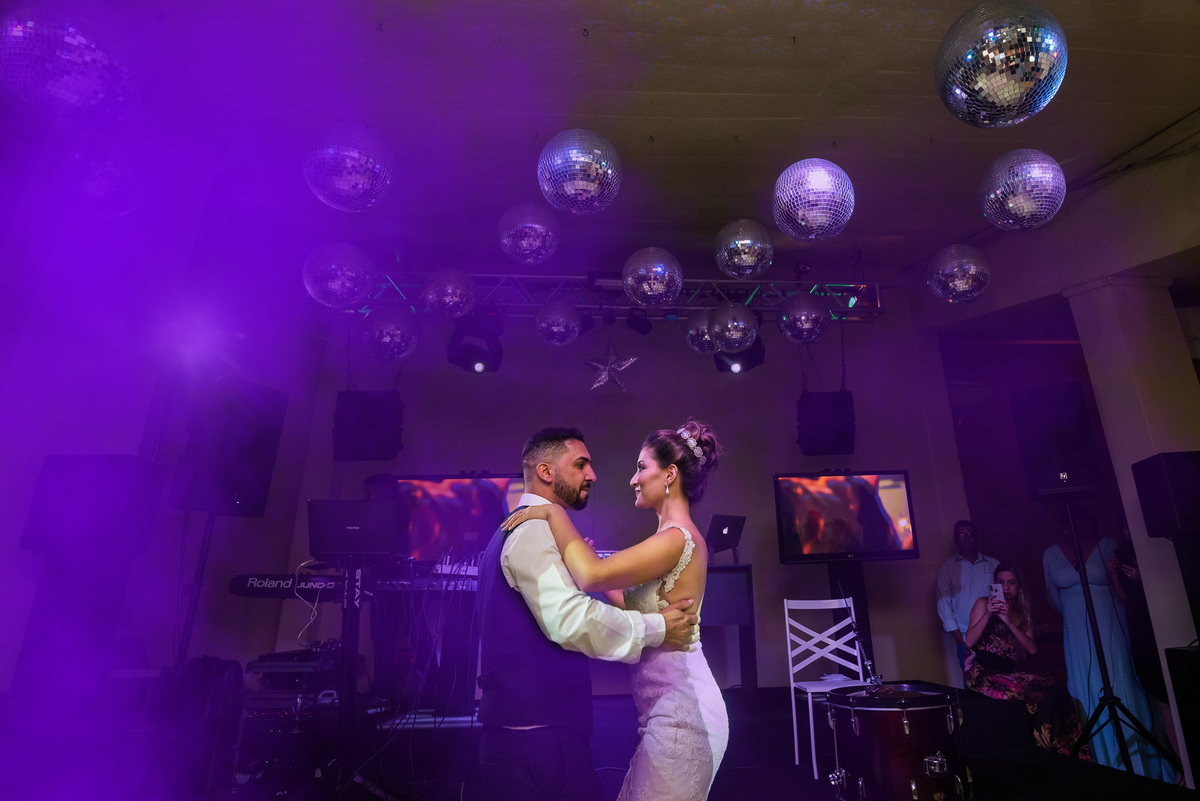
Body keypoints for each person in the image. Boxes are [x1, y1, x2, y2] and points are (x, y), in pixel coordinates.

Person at [502, 420, 729, 801]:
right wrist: (598, 568)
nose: (632, 479)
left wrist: (553, 514)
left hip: (684, 714)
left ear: (670, 474)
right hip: (663, 713)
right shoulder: (665, 537)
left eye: (641, 467)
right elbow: (630, 602)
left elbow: (591, 575)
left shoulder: (676, 538)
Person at [1043, 506, 1173, 779]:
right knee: (1088, 690)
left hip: (1111, 627)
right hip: (1077, 634)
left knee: (1122, 684)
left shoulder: (1109, 545)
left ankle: (1142, 767)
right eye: (1069, 522)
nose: (1074, 526)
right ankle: (1106, 766)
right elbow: (1053, 598)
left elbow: (1128, 590)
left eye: (1080, 519)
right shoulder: (1050, 554)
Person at [964, 561, 1090, 758]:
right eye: (1001, 582)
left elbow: (1031, 648)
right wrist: (989, 613)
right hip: (984, 672)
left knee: (1060, 693)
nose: (1006, 588)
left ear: (1019, 586)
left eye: (1011, 583)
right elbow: (969, 641)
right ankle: (1048, 755)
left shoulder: (1022, 610)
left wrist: (1008, 622)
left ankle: (1075, 754)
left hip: (1011, 673)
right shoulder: (983, 604)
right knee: (1041, 701)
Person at [936, 520, 999, 676]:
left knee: (1000, 683)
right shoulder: (948, 568)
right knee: (972, 686)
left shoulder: (994, 564)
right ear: (955, 540)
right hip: (966, 637)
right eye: (961, 535)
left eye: (970, 534)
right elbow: (944, 605)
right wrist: (960, 640)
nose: (966, 538)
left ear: (976, 537)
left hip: (995, 635)